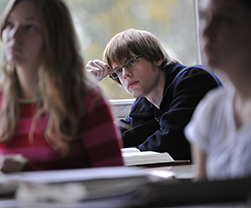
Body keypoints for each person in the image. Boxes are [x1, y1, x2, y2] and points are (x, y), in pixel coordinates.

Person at [0, 0, 124, 173]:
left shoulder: (87, 102)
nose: (13, 36)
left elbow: (114, 183)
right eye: (10, 24)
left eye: (29, 27)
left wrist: (27, 172)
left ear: (55, 37)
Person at [184, 0, 251, 206]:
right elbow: (203, 198)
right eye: (205, 16)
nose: (205, 31)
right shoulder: (212, 108)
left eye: (224, 19)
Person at [86, 28, 222, 160]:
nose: (125, 74)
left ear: (157, 58)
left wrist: (128, 155)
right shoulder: (144, 104)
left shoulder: (193, 80)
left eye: (131, 62)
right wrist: (83, 86)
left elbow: (172, 143)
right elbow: (113, 138)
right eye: (118, 71)